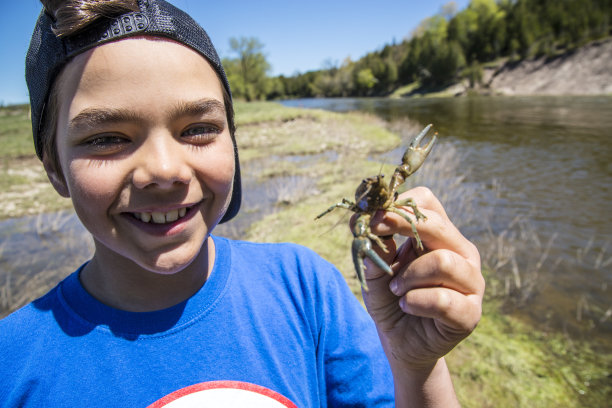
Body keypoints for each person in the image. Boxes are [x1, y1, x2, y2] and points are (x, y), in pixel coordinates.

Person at [0, 0, 484, 406]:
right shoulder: (13, 367)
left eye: (198, 129)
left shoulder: (308, 289)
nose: (165, 171)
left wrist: (415, 364)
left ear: (233, 141)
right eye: (106, 138)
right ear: (54, 167)